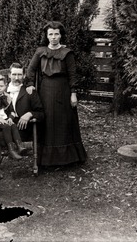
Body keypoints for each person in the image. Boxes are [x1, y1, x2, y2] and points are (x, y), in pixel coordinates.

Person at [0, 63, 44, 200]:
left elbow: (41, 113)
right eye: (14, 74)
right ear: (9, 75)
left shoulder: (29, 91)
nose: (16, 77)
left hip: (17, 132)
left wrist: (29, 114)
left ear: (23, 76)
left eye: (19, 74)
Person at [25, 20, 87, 167]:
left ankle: (67, 159)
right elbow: (31, 70)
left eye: (56, 34)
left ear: (61, 36)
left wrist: (73, 93)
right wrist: (29, 85)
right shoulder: (40, 52)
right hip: (45, 91)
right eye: (50, 34)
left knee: (63, 123)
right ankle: (46, 160)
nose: (53, 37)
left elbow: (72, 74)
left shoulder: (67, 53)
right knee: (47, 122)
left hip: (63, 91)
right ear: (46, 36)